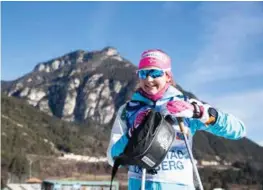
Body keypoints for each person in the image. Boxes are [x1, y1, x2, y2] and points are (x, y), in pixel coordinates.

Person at [106, 49, 246, 190]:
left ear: (167, 76)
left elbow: (238, 130)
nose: (148, 79)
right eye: (143, 73)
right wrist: (132, 133)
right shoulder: (128, 110)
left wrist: (200, 112)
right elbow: (113, 158)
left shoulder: (186, 107)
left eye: (155, 73)